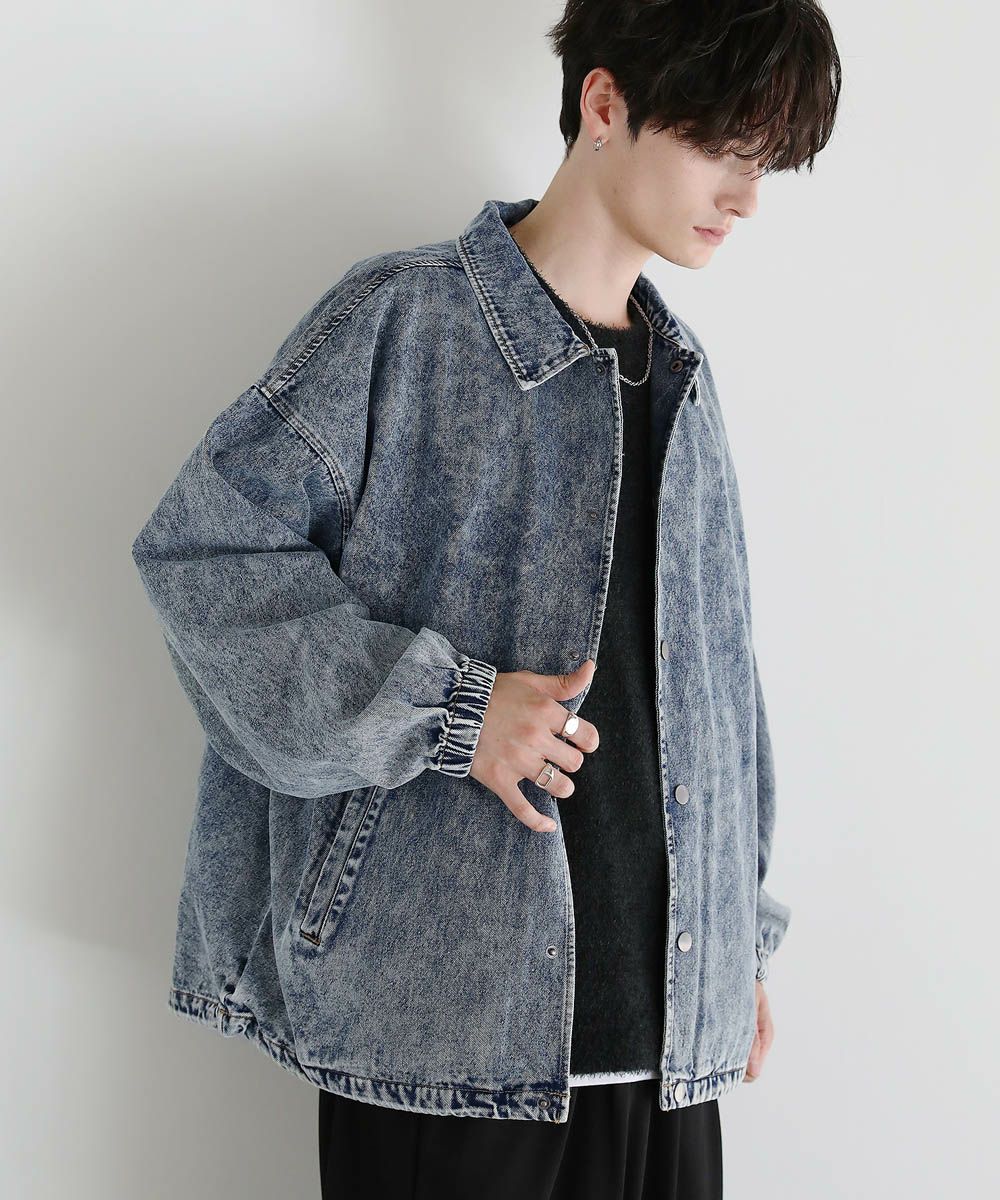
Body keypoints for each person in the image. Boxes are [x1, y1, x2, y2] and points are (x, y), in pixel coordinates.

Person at [131, 2, 841, 1196]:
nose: (745, 196)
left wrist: (737, 941)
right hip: (444, 1044)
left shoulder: (683, 378)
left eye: (764, 160)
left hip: (667, 1047)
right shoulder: (406, 323)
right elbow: (206, 556)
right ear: (605, 104)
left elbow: (721, 687)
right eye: (723, 145)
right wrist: (453, 712)